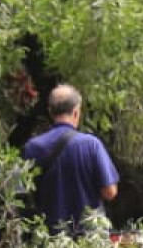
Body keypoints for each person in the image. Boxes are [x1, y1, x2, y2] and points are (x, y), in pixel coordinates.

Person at [22, 85, 119, 234]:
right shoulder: (91, 144)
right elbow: (110, 192)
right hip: (91, 243)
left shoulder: (31, 148)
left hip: (50, 241)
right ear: (76, 112)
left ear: (50, 112)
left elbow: (22, 195)